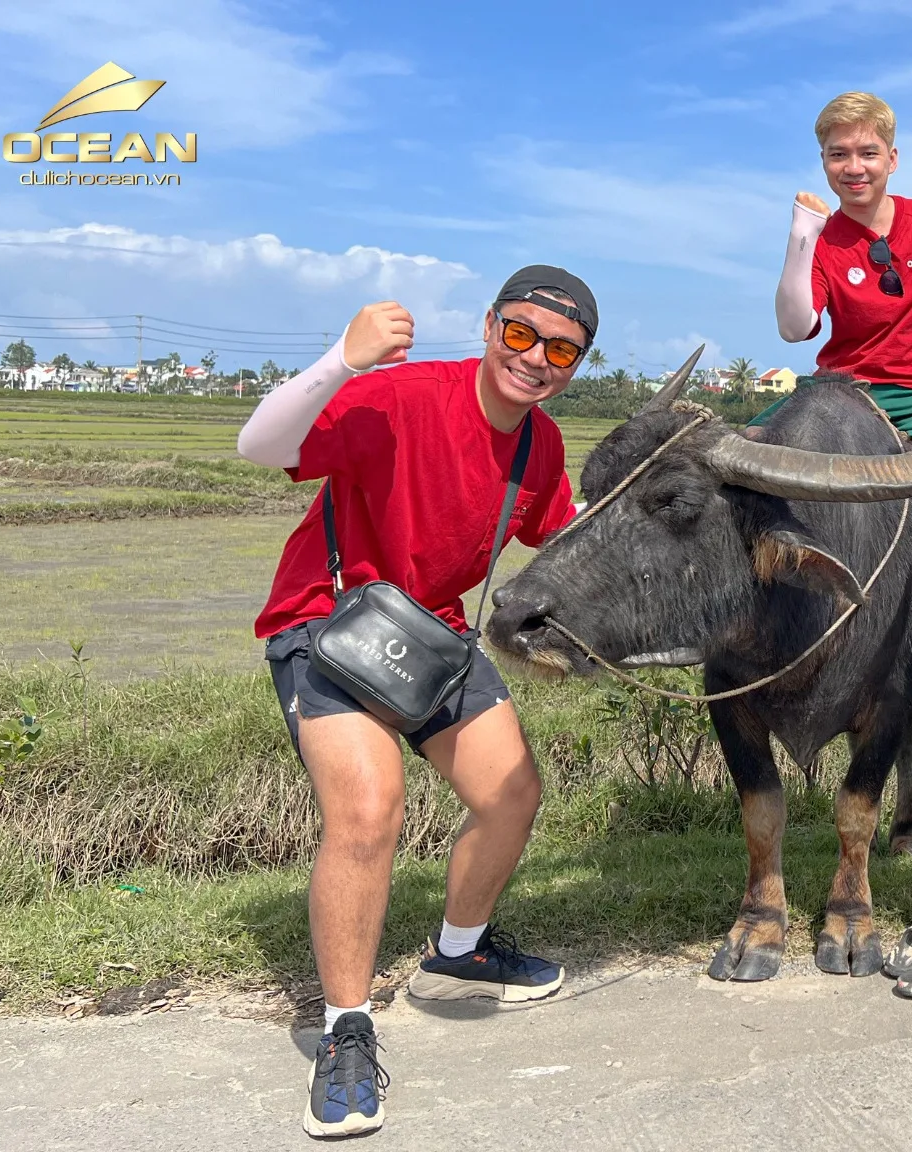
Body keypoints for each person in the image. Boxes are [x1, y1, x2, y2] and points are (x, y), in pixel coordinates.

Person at [238, 266, 589, 1136]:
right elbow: (261, 447)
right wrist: (341, 359)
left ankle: (459, 956)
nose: (535, 359)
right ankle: (345, 1029)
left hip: (428, 638)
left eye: (559, 349)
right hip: (326, 621)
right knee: (368, 809)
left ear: (576, 365)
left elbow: (569, 532)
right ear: (487, 326)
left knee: (511, 795)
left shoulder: (538, 444)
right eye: (519, 334)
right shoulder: (400, 396)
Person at [768, 91, 912, 444]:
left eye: (868, 153)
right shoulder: (820, 239)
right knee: (747, 454)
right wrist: (801, 233)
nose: (854, 168)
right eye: (839, 155)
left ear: (891, 159)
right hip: (839, 392)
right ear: (823, 161)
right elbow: (794, 328)